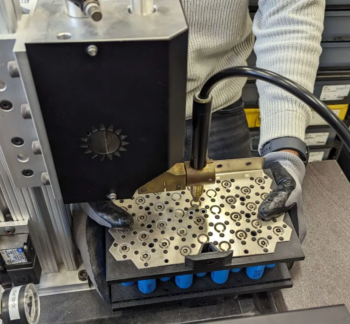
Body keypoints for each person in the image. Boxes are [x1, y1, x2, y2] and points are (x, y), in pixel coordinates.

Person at [74, 0, 325, 301]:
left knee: (249, 264)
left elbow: (291, 13)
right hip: (108, 123)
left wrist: (287, 147)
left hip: (219, 105)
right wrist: (78, 168)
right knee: (116, 260)